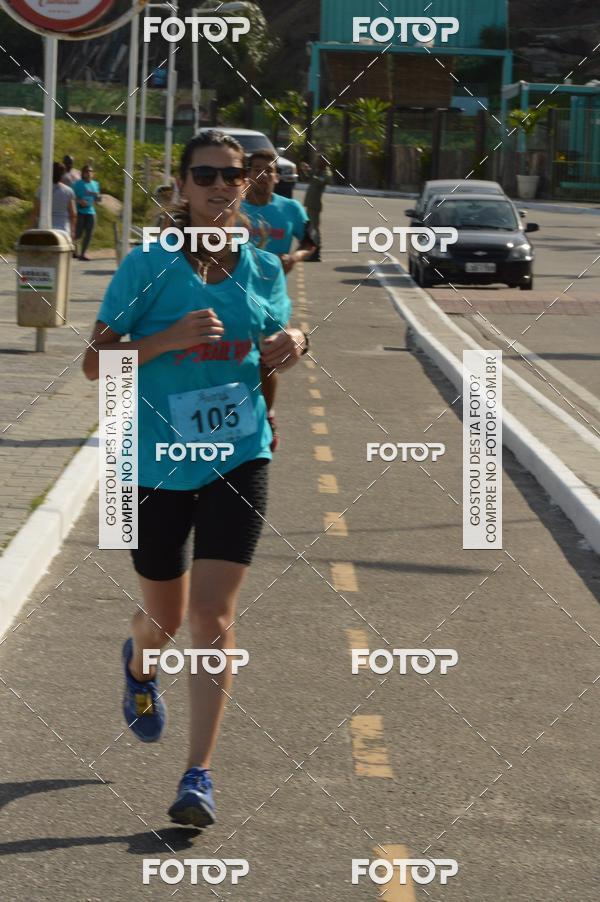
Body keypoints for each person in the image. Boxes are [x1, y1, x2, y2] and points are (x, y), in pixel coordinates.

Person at [82, 130, 308, 828]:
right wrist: (167, 340)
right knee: (166, 619)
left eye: (230, 175)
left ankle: (198, 775)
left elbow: (282, 336)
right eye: (203, 174)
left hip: (240, 456)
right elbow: (96, 366)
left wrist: (297, 342)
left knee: (213, 618)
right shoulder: (146, 268)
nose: (217, 185)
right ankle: (140, 665)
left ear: (246, 184)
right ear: (180, 186)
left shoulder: (264, 268)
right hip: (150, 465)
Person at [242, 150, 317, 449]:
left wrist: (294, 257)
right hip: (233, 293)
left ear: (277, 176)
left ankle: (267, 416)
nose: (263, 175)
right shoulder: (236, 209)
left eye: (269, 170)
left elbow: (312, 241)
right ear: (248, 174)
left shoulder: (292, 209)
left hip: (271, 297)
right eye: (257, 169)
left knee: (268, 360)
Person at [31, 161, 77, 240]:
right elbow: (73, 215)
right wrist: (72, 231)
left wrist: (29, 229)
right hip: (63, 230)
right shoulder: (69, 191)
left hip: (43, 229)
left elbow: (35, 213)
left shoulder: (41, 190)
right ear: (62, 175)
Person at [301, 153, 331, 262]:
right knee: (310, 228)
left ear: (324, 162)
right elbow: (307, 178)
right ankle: (311, 252)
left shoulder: (326, 173)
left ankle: (316, 253)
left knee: (314, 229)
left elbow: (319, 181)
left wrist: (311, 172)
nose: (316, 162)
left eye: (319, 160)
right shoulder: (318, 172)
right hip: (310, 203)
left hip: (315, 204)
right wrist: (305, 170)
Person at [73, 164, 102, 260]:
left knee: (89, 233)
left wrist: (97, 197)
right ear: (83, 173)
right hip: (80, 211)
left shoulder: (95, 184)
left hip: (91, 211)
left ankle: (83, 253)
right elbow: (72, 197)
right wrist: (80, 201)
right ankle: (74, 250)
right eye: (86, 171)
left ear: (93, 174)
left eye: (90, 171)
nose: (88, 173)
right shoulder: (77, 184)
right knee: (78, 233)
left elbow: (97, 199)